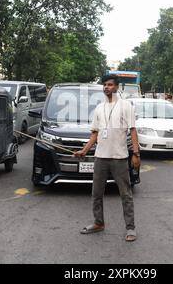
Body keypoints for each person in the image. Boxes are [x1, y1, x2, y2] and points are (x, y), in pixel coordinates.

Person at [74, 75, 140, 242]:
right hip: (100, 158)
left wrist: (136, 154)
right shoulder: (99, 108)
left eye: (110, 85)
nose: (106, 87)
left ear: (117, 87)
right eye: (104, 85)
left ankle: (130, 228)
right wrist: (84, 150)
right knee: (96, 193)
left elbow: (132, 130)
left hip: (119, 157)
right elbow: (95, 133)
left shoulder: (126, 106)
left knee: (125, 194)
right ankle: (98, 223)